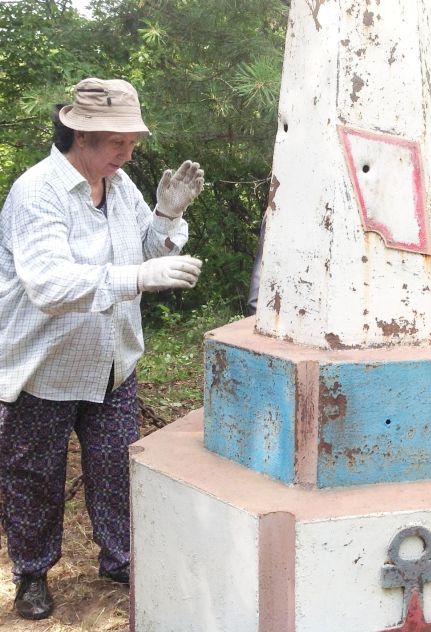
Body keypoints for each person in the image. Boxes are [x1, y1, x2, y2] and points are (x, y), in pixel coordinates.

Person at [0, 77, 205, 620]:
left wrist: (168, 216)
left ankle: (121, 558)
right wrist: (138, 275)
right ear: (80, 134)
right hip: (43, 369)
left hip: (113, 364)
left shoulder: (118, 187)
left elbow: (142, 247)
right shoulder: (37, 193)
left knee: (117, 469)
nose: (127, 152)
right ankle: (32, 573)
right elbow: (48, 285)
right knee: (34, 477)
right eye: (117, 142)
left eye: (131, 142)